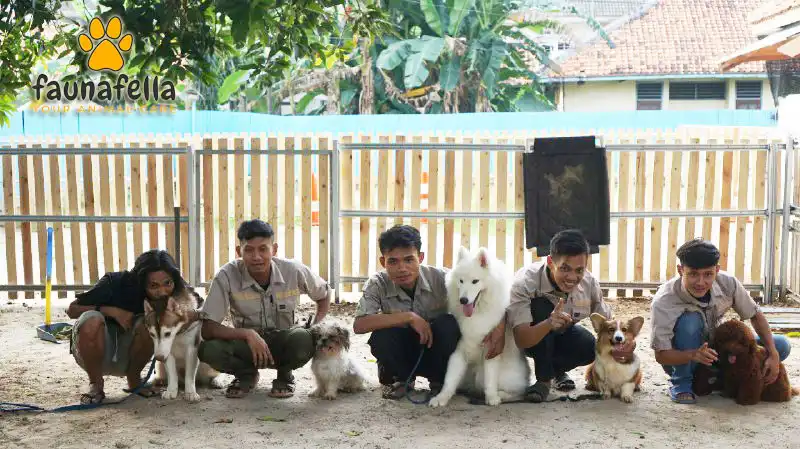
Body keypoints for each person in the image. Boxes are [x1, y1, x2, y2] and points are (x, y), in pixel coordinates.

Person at [353, 224, 506, 399]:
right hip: (402, 350)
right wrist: (409, 318)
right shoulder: (377, 283)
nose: (402, 268)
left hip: (436, 349)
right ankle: (402, 380)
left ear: (421, 257)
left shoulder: (444, 278)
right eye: (393, 261)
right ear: (383, 262)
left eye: (409, 259)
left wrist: (500, 329)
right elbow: (359, 324)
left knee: (447, 325)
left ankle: (438, 381)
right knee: (382, 336)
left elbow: (493, 295)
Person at [198, 219, 330, 399]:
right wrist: (248, 334)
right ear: (239, 252)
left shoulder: (293, 270)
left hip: (285, 342)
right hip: (247, 347)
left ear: (274, 249)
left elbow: (324, 294)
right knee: (209, 349)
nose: (256, 257)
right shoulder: (226, 275)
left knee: (303, 340)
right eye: (249, 250)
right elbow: (208, 328)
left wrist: (317, 325)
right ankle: (246, 374)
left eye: (263, 249)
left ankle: (285, 375)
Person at [651, 238, 791, 404]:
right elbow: (661, 355)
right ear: (681, 270)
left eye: (708, 274)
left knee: (781, 345)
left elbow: (755, 315)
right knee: (690, 321)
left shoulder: (728, 283)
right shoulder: (664, 301)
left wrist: (773, 355)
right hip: (685, 358)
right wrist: (693, 355)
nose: (701, 282)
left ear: (717, 270)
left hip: (719, 351)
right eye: (693, 274)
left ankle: (719, 377)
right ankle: (682, 384)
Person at [507, 229, 630, 403]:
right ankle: (543, 381)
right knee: (541, 306)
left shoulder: (589, 283)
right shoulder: (525, 283)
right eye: (565, 268)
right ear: (550, 262)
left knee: (589, 346)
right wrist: (549, 322)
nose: (572, 277)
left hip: (563, 334)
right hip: (531, 339)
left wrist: (623, 346)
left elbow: (609, 326)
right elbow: (521, 339)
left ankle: (555, 371)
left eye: (579, 270)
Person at [66, 249, 181, 404]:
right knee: (91, 320)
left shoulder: (176, 287)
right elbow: (72, 309)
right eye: (154, 285)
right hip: (95, 354)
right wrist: (111, 311)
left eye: (167, 283)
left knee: (149, 324)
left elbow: (199, 314)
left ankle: (134, 381)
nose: (162, 291)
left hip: (129, 358)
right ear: (141, 282)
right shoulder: (114, 282)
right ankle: (96, 385)